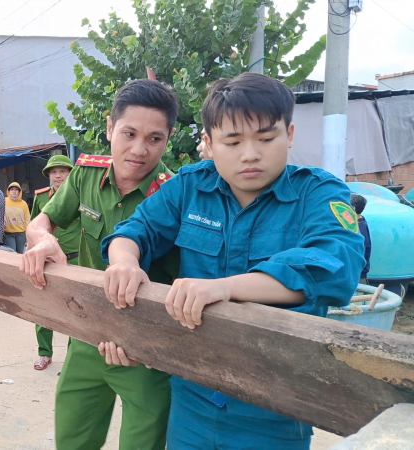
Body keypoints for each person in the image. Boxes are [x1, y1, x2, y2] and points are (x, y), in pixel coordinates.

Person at [99, 73, 365, 450]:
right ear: (208, 144)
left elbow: (334, 267)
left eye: (266, 138)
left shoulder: (318, 193)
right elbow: (136, 229)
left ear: (289, 135)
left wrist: (224, 289)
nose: (250, 154)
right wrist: (124, 262)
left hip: (275, 405)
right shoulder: (191, 186)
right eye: (233, 141)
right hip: (192, 397)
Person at [20, 79, 180, 450]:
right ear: (109, 128)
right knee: (73, 440)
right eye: (128, 133)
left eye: (154, 139)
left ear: (168, 139)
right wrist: (43, 239)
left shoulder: (175, 194)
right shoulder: (86, 173)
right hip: (88, 334)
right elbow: (40, 221)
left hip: (147, 351)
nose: (139, 150)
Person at [29, 155, 80, 371]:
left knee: (76, 310)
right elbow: (33, 228)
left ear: (71, 175)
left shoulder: (81, 196)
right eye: (53, 172)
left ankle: (73, 358)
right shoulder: (41, 198)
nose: (58, 175)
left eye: (63, 171)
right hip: (48, 261)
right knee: (43, 309)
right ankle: (44, 353)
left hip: (76, 259)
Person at [351, 193, 372, 282]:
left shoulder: (360, 227)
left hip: (357, 276)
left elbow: (360, 251)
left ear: (353, 207)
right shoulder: (358, 222)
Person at [4, 182, 30, 253]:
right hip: (8, 233)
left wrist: (28, 234)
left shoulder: (24, 204)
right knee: (12, 253)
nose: (14, 191)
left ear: (19, 192)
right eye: (12, 189)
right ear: (8, 191)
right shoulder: (4, 201)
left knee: (20, 254)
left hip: (21, 233)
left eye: (16, 189)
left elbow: (27, 219)